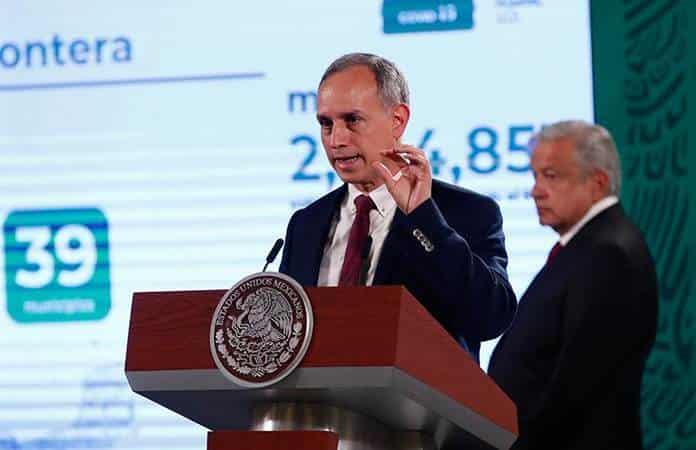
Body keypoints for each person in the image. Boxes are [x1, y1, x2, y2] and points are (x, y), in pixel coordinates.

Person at [278, 53, 516, 361]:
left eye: (352, 120)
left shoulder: (466, 212)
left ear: (397, 120)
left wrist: (425, 218)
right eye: (326, 124)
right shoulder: (306, 223)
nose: (336, 140)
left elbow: (491, 316)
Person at [488, 120, 658, 449]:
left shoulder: (608, 253)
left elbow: (577, 383)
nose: (536, 190)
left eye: (551, 176)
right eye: (535, 176)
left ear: (597, 182)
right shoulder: (589, 245)